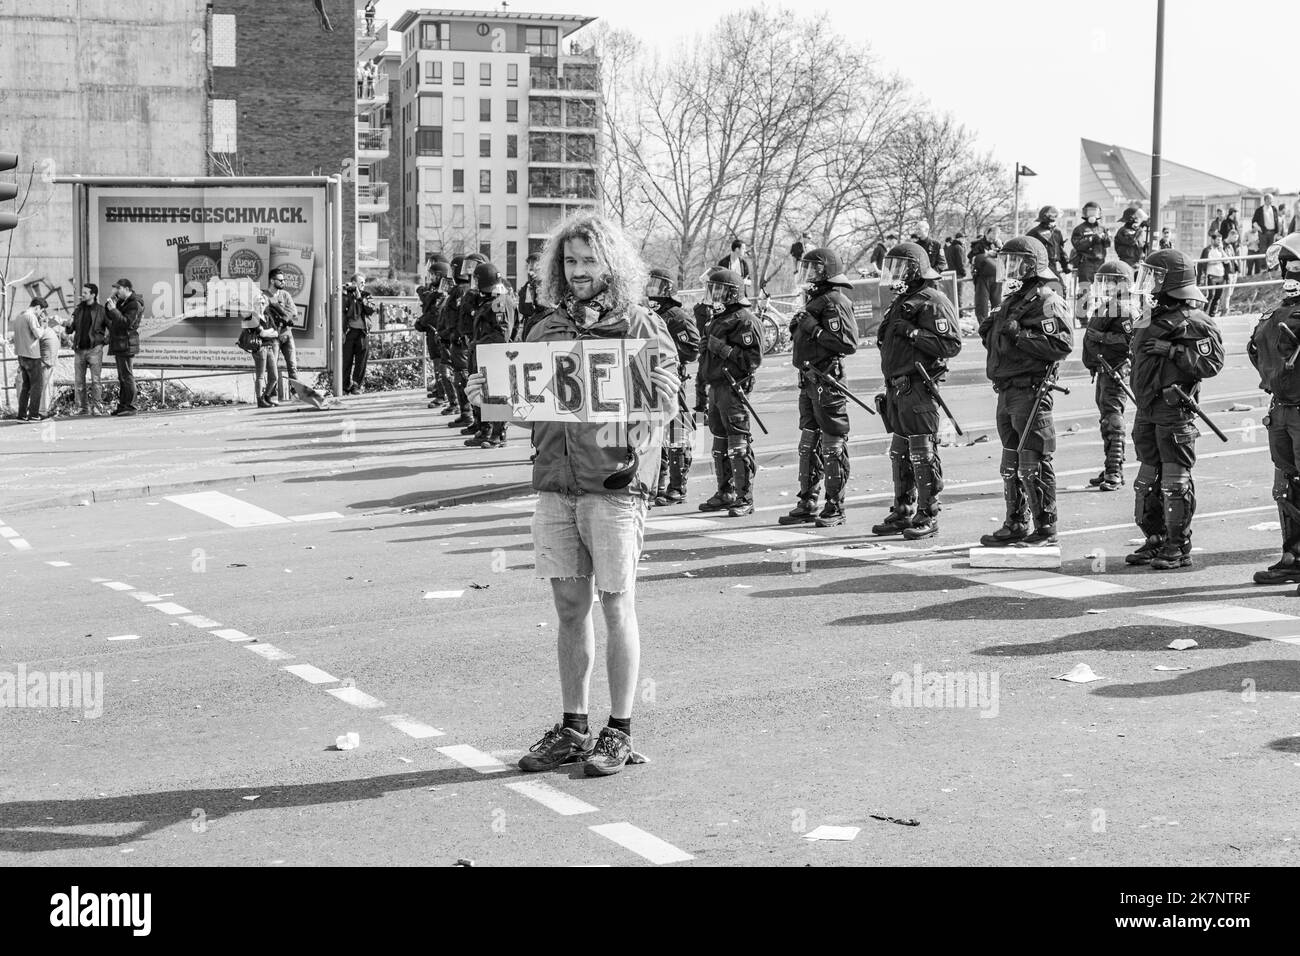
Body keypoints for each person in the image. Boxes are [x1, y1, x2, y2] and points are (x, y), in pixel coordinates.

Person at [465, 214, 678, 777]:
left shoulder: (640, 325)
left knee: (616, 603)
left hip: (614, 487)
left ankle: (621, 730)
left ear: (611, 264)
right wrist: (488, 396)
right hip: (555, 486)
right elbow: (525, 410)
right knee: (567, 609)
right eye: (570, 261)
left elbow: (667, 403)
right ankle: (574, 727)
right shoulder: (544, 330)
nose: (579, 271)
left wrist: (656, 396)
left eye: (589, 261)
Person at [1126, 249, 1224, 570]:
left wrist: (1173, 350)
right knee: (1146, 479)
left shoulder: (1193, 320)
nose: (1148, 283)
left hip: (1174, 411)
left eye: (1155, 276)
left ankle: (1177, 545)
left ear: (1171, 282)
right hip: (1147, 408)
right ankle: (1154, 540)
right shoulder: (1148, 318)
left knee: (1174, 480)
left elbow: (1212, 362)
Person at [977, 236, 1074, 546]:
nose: (1009, 268)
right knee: (1010, 463)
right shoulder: (1014, 298)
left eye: (1015, 261)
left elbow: (1061, 344)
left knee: (1033, 461)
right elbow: (1002, 345)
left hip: (1031, 390)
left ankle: (1046, 528)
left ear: (1031, 265)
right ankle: (1016, 522)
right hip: (1006, 389)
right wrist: (991, 334)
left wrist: (1021, 335)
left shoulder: (1047, 298)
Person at [869, 242, 962, 539]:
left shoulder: (932, 299)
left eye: (899, 267)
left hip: (919, 386)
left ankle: (928, 513)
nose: (893, 273)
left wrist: (913, 332)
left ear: (914, 270)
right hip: (897, 387)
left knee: (922, 453)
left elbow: (951, 344)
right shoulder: (903, 300)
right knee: (900, 452)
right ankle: (903, 510)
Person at [778, 249, 858, 527]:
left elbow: (847, 343)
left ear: (826, 272)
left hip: (827, 382)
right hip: (808, 381)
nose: (808, 274)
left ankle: (835, 505)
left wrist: (814, 329)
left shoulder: (834, 301)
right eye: (806, 268)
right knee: (808, 443)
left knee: (832, 444)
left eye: (814, 269)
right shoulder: (813, 301)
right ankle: (807, 500)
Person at [1248, 233, 1300, 584]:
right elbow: (1257, 352)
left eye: (1295, 266)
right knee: (1286, 486)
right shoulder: (1280, 311)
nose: (1289, 272)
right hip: (1280, 406)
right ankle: (1293, 556)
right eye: (1288, 265)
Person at [698, 268, 764, 517]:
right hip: (715, 387)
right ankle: (725, 492)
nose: (714, 294)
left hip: (733, 387)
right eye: (712, 289)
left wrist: (722, 349)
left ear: (733, 293)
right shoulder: (718, 318)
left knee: (738, 442)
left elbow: (753, 359)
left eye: (719, 289)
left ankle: (744, 497)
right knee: (719, 441)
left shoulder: (744, 319)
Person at [645, 269, 701, 506]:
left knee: (678, 433)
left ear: (667, 288)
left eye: (657, 285)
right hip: (647, 381)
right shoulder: (645, 313)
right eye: (650, 284)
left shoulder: (676, 315)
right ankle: (657, 484)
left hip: (671, 380)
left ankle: (678, 487)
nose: (652, 288)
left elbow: (693, 348)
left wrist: (670, 356)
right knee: (654, 436)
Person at [1080, 261, 1136, 491]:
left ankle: (1115, 470)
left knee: (1113, 418)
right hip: (1103, 369)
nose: (1105, 286)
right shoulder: (1109, 306)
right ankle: (1111, 466)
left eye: (1110, 281)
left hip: (1116, 369)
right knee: (1106, 418)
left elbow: (1130, 342)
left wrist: (1101, 339)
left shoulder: (1125, 308)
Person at [464, 261, 516, 448]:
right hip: (484, 353)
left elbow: (501, 335)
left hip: (496, 355)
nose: (474, 283)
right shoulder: (490, 300)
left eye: (477, 279)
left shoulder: (500, 302)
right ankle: (486, 430)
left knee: (498, 393)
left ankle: (498, 434)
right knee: (485, 393)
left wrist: (477, 343)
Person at [454, 252, 489, 437]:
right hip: (471, 341)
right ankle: (477, 422)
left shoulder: (488, 289)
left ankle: (487, 427)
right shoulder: (470, 290)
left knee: (484, 385)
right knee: (472, 383)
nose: (469, 271)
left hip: (483, 342)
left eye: (473, 266)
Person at [66, 283, 108, 416]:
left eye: (85, 293)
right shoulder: (78, 310)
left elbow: (111, 329)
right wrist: (68, 324)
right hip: (79, 350)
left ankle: (97, 407)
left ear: (93, 295)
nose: (82, 295)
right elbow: (69, 330)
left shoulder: (101, 310)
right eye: (82, 292)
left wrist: (102, 342)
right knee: (79, 382)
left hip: (94, 349)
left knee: (96, 381)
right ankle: (83, 408)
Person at [1070, 202, 1111, 328]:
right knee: (1084, 291)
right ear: (1085, 213)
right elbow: (1077, 245)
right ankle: (1083, 319)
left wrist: (1104, 237)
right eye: (1090, 211)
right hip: (1086, 263)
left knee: (1103, 291)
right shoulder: (1079, 229)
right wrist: (1091, 239)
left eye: (1095, 211)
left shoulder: (1103, 228)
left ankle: (1102, 318)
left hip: (1100, 262)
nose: (1092, 214)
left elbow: (1108, 244)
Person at [105, 279, 142, 416]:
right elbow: (109, 314)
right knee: (122, 377)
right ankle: (123, 405)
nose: (117, 292)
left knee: (127, 376)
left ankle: (131, 406)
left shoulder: (135, 303)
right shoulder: (121, 302)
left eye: (118, 289)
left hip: (127, 343)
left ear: (126, 288)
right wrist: (111, 301)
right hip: (120, 342)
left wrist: (114, 310)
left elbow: (127, 323)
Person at [242, 293, 281, 407]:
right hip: (259, 349)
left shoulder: (267, 316)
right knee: (260, 376)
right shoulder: (251, 317)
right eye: (259, 303)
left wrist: (267, 332)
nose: (261, 305)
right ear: (254, 304)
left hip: (269, 347)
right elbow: (262, 333)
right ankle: (260, 400)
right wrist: (269, 332)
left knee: (274, 376)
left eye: (263, 303)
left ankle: (266, 396)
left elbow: (276, 332)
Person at [12, 298, 46, 422]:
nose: (40, 314)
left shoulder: (19, 316)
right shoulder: (31, 316)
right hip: (32, 356)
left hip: (21, 355)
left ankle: (21, 415)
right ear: (37, 307)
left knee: (26, 386)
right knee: (37, 385)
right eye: (41, 310)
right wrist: (42, 326)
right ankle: (34, 414)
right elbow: (38, 334)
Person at [341, 273, 375, 395]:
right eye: (361, 283)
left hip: (363, 332)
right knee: (346, 361)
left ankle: (356, 386)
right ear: (354, 283)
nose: (363, 285)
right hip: (349, 332)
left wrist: (360, 298)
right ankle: (344, 386)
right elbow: (341, 313)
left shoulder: (366, 296)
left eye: (364, 283)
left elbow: (371, 310)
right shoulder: (345, 295)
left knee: (361, 362)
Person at [265, 268, 299, 389]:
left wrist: (283, 317)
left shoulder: (285, 295)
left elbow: (293, 311)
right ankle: (271, 393)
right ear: (272, 281)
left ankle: (296, 392)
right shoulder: (264, 296)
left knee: (292, 365)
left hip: (287, 335)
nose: (283, 282)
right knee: (272, 367)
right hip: (273, 337)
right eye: (280, 280)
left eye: (284, 280)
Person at [1026, 206, 1070, 280]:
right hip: (1040, 265)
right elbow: (1026, 248)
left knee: (1061, 288)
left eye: (1055, 214)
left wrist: (1065, 266)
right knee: (1055, 285)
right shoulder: (1034, 232)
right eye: (1050, 214)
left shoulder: (1057, 232)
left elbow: (1061, 250)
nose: (1053, 216)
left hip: (1053, 264)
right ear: (1044, 215)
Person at [1197, 233, 1233, 317]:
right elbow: (1207, 261)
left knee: (1218, 296)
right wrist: (1218, 261)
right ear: (1212, 240)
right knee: (1210, 295)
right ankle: (1204, 314)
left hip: (1221, 275)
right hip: (1211, 276)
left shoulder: (1221, 250)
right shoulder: (1207, 250)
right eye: (1218, 240)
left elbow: (1227, 261)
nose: (1219, 242)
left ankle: (1212, 315)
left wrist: (1222, 251)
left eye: (1220, 240)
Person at [971, 229, 1002, 325]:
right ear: (987, 234)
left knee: (997, 303)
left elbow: (1006, 257)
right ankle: (983, 326)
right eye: (992, 234)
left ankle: (997, 324)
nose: (994, 237)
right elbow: (972, 258)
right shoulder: (978, 244)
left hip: (997, 277)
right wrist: (987, 254)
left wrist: (1001, 247)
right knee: (982, 304)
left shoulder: (999, 244)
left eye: (996, 235)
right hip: (982, 277)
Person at [37, 311, 63, 418]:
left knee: (46, 387)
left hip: (49, 363)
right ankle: (41, 411)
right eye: (41, 318)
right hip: (44, 363)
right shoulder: (40, 330)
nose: (45, 320)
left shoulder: (48, 330)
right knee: (42, 388)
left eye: (45, 318)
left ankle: (43, 410)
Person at [517, 252, 548, 340]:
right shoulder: (527, 287)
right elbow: (524, 309)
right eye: (530, 268)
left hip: (543, 329)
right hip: (530, 326)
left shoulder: (550, 286)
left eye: (536, 269)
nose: (531, 273)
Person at [1253, 193, 1281, 261]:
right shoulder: (1259, 210)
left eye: (1272, 199)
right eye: (1270, 199)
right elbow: (1254, 222)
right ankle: (1263, 268)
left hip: (1273, 233)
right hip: (1263, 233)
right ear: (1266, 200)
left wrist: (1277, 232)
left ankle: (1271, 268)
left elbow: (1277, 220)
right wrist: (1260, 229)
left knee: (1272, 250)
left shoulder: (1274, 209)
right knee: (1263, 250)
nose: (1272, 201)